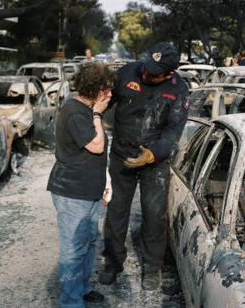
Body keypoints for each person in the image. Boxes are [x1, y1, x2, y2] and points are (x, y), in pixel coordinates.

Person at [99, 42, 190, 291]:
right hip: (121, 157)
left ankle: (152, 268)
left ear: (169, 73)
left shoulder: (179, 90)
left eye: (154, 72)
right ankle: (113, 263)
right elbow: (104, 101)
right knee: (116, 211)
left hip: (154, 164)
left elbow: (173, 132)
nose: (146, 73)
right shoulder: (128, 72)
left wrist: (151, 155)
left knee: (154, 215)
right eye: (147, 66)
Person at [47, 62, 114, 308]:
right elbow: (96, 146)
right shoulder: (76, 111)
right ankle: (71, 302)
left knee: (88, 243)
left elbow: (97, 157)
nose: (110, 94)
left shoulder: (86, 108)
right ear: (94, 89)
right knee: (73, 250)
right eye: (106, 89)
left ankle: (82, 289)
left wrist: (105, 181)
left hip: (89, 191)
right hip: (72, 192)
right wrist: (98, 114)